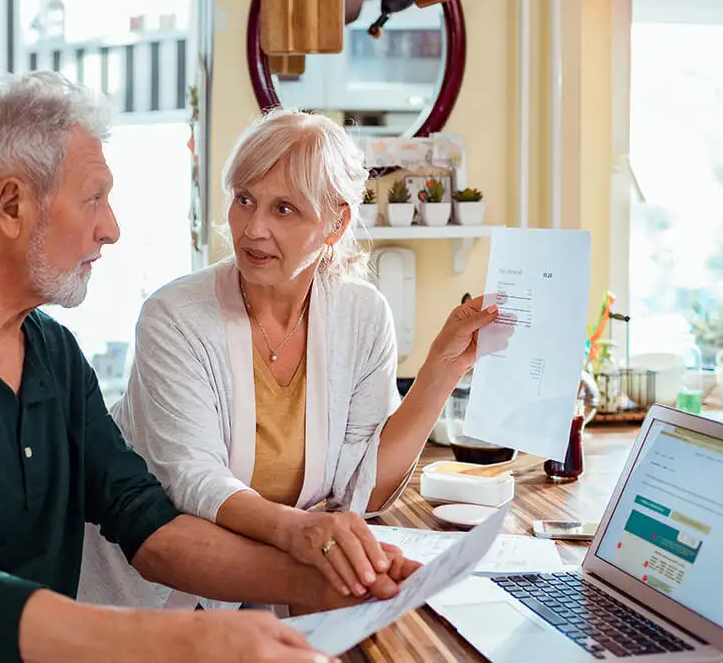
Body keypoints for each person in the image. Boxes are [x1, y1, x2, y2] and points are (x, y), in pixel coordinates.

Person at [0, 73, 421, 663]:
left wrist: (323, 578)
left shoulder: (53, 356)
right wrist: (187, 643)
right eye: (94, 198)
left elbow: (148, 524)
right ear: (13, 206)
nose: (112, 228)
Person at [79, 108, 509, 610]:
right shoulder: (174, 317)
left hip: (270, 594)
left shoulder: (362, 316)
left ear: (336, 222)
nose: (253, 228)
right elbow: (192, 480)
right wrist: (304, 531)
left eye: (284, 209)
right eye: (244, 200)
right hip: (151, 603)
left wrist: (444, 367)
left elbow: (360, 489)